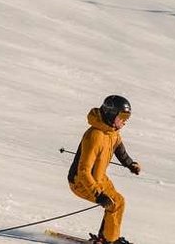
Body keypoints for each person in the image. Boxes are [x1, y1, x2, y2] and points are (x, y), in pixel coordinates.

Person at [67, 95, 142, 244]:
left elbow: (118, 147)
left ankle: (108, 238)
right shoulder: (95, 136)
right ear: (111, 113)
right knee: (113, 204)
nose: (125, 120)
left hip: (99, 178)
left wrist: (129, 163)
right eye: (122, 116)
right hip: (82, 182)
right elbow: (83, 171)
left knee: (118, 202)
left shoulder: (111, 131)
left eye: (127, 116)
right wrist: (98, 195)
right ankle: (108, 240)